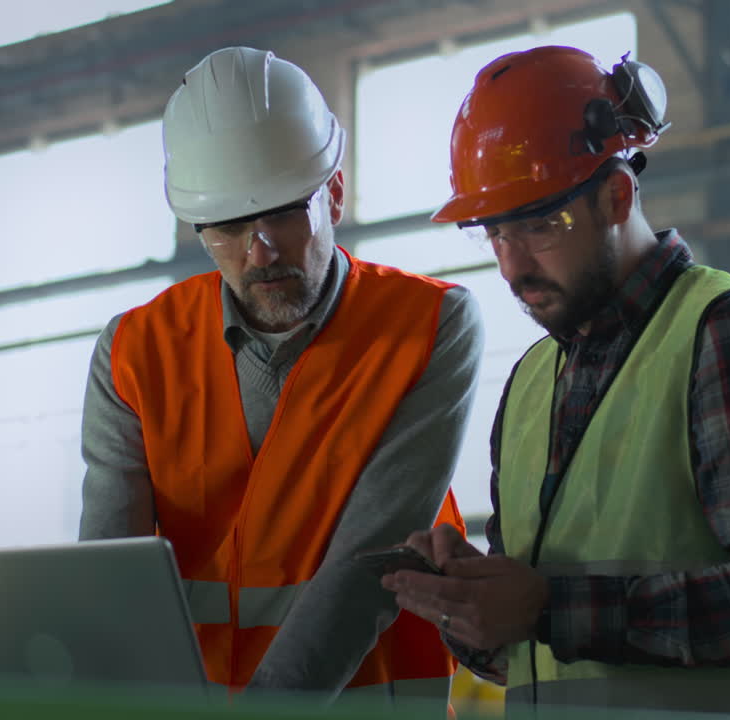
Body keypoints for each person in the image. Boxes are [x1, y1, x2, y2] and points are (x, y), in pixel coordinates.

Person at [382, 45, 730, 719]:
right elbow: (530, 649)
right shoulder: (531, 384)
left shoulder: (728, 336)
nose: (513, 267)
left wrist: (550, 607)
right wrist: (468, 602)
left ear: (617, 195)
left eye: (539, 225)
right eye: (494, 235)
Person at [78, 46, 484, 704]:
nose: (259, 249)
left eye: (284, 213)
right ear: (196, 227)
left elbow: (366, 564)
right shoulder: (133, 351)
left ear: (335, 193)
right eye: (230, 227)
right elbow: (108, 580)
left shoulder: (428, 327)